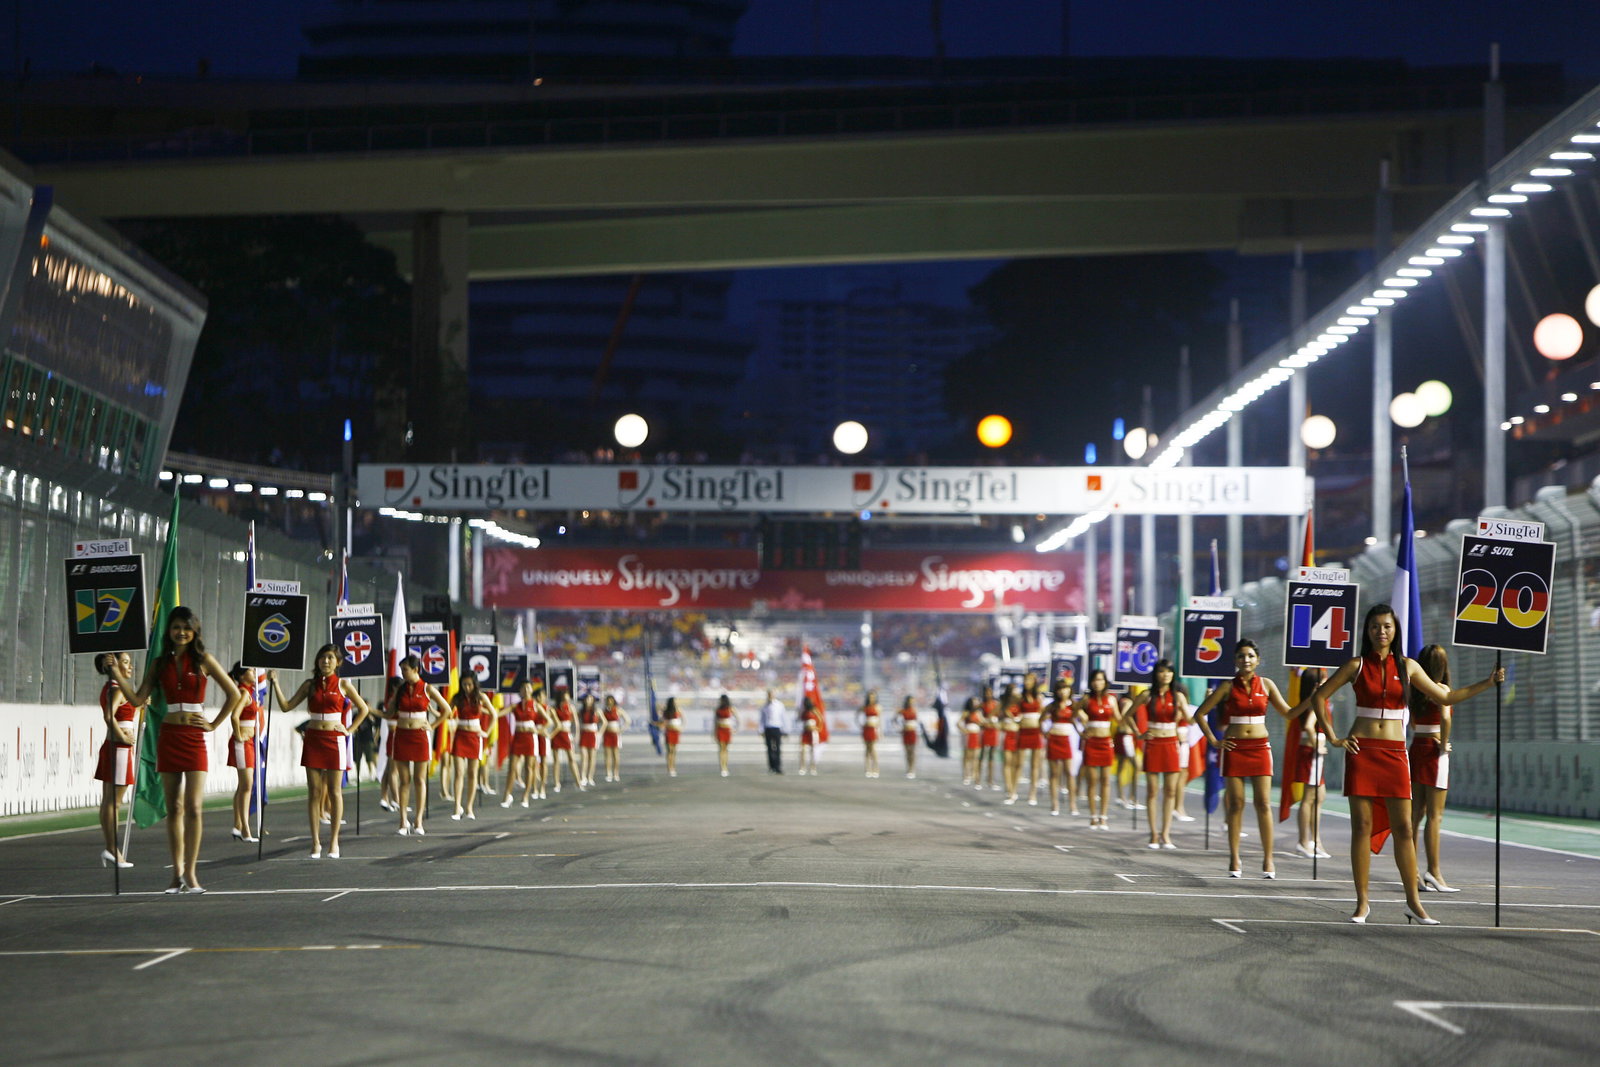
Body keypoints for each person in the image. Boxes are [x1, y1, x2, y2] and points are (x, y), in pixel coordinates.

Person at [1297, 608, 1502, 924]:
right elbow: (1319, 697)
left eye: (1387, 626)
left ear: (1395, 631)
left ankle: (1414, 903)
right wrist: (1335, 737)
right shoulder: (1356, 665)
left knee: (1405, 828)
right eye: (1375, 626)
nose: (1381, 631)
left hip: (1395, 754)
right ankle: (1362, 903)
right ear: (1367, 631)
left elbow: (1446, 698)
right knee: (1361, 829)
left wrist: (1487, 683)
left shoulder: (1408, 666)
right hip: (1362, 752)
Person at [113, 606, 241, 893]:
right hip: (168, 735)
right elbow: (136, 699)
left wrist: (213, 724)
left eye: (186, 627)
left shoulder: (204, 659)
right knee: (174, 808)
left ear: (194, 630)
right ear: (168, 632)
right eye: (176, 627)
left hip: (195, 738)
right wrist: (115, 673)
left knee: (194, 807)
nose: (181, 632)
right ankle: (176, 875)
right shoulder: (159, 664)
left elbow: (234, 694)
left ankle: (192, 875)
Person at [1193, 639, 1294, 879]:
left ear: (1257, 660)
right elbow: (1200, 714)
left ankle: (1268, 859)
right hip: (1234, 747)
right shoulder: (1227, 686)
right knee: (1236, 803)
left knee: (1263, 803)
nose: (1245, 660)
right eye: (1241, 656)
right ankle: (1234, 857)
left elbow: (1289, 712)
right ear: (1235, 661)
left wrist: (1315, 699)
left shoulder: (1267, 685)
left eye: (1250, 656)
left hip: (1260, 746)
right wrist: (1214, 741)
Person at [269, 645, 372, 858]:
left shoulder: (344, 685)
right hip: (313, 739)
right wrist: (276, 683)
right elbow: (287, 706)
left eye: (330, 658)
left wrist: (349, 730)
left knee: (334, 792)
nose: (325, 661)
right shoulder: (310, 685)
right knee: (314, 792)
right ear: (317, 661)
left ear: (338, 662)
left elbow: (364, 709)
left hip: (335, 740)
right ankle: (315, 842)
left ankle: (334, 842)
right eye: (322, 657)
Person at [1122, 659, 1190, 850]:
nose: (1165, 675)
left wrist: (1208, 703)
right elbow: (1128, 715)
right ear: (1156, 674)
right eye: (1162, 671)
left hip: (1171, 743)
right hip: (1153, 743)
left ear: (1172, 674)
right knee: (1152, 791)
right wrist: (1138, 734)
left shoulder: (1178, 697)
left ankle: (1166, 834)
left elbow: (1191, 719)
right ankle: (1153, 834)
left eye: (1169, 671)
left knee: (1170, 791)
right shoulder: (1146, 695)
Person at [1410, 645, 1461, 891]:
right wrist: (1443, 741)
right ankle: (1434, 872)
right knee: (1435, 816)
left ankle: (1413, 873)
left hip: (1417, 747)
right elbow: (1446, 717)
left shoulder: (1415, 689)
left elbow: (1410, 724)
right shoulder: (1441, 689)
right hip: (1433, 751)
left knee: (1415, 816)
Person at [383, 653, 450, 836]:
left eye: (405, 670)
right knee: (405, 781)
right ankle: (403, 821)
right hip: (402, 736)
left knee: (420, 780)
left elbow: (447, 710)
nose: (403, 673)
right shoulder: (401, 690)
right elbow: (389, 713)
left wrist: (433, 725)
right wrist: (368, 711)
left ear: (415, 669)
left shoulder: (428, 688)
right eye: (401, 670)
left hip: (420, 737)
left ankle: (419, 820)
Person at [93, 652, 140, 868]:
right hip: (119, 748)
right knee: (114, 803)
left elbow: (125, 712)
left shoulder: (114, 689)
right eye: (126, 663)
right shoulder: (117, 689)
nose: (130, 667)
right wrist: (123, 738)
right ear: (115, 666)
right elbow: (109, 716)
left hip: (115, 748)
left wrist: (140, 704)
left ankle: (112, 848)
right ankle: (113, 849)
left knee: (109, 802)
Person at [1281, 667, 1331, 858]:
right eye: (1325, 680)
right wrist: (1315, 744)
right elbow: (1310, 725)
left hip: (1313, 751)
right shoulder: (1314, 702)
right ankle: (1305, 841)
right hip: (1311, 751)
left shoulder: (1314, 700)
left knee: (1319, 796)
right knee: (1310, 798)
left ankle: (1315, 840)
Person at [1073, 670, 1119, 829]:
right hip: (1091, 742)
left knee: (1106, 780)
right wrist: (1081, 731)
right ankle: (1093, 816)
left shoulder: (1111, 699)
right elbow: (1073, 714)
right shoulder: (1087, 699)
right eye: (1095, 680)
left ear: (1105, 682)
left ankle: (1103, 816)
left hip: (1106, 742)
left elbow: (1118, 719)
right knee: (1092, 781)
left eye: (1100, 680)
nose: (1097, 683)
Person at [446, 672, 496, 817]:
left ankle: (469, 807)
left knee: (473, 773)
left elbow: (494, 714)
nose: (467, 687)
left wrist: (486, 732)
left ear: (474, 684)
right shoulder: (457, 697)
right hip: (460, 736)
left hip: (475, 736)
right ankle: (457, 807)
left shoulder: (481, 697)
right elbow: (446, 712)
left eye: (469, 684)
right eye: (464, 685)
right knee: (459, 773)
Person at [225, 663, 261, 844]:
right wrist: (239, 736)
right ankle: (246, 829)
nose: (254, 673)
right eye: (251, 670)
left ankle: (238, 825)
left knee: (243, 786)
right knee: (247, 785)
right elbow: (234, 715)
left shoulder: (249, 691)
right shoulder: (244, 692)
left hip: (249, 741)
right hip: (243, 742)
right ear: (242, 675)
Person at [502, 678, 549, 806]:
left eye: (528, 688)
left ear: (531, 690)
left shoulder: (535, 705)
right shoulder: (515, 705)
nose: (526, 690)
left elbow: (548, 720)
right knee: (512, 767)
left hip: (530, 738)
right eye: (524, 688)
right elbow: (499, 713)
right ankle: (507, 795)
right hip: (517, 737)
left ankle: (526, 796)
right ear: (520, 691)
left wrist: (539, 730)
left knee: (529, 767)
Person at [1044, 679, 1078, 817]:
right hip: (1054, 739)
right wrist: (1046, 732)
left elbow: (1079, 719)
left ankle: (1072, 804)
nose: (1063, 691)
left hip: (1066, 739)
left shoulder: (1073, 706)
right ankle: (1055, 803)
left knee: (1069, 772)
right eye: (1060, 689)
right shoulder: (1052, 706)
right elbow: (1041, 719)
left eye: (1066, 688)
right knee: (1054, 773)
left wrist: (1082, 732)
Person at [1017, 674, 1046, 805]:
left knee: (1035, 765)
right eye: (1025, 680)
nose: (1026, 682)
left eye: (1029, 680)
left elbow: (1044, 713)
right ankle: (1013, 790)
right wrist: (1017, 720)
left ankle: (1032, 793)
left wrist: (1041, 725)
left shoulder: (1039, 697)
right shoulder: (1020, 697)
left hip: (1035, 731)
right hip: (1023, 731)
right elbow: (1012, 710)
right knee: (1019, 762)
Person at [548, 691, 579, 791]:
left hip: (566, 733)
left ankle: (578, 782)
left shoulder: (571, 707)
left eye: (568, 698)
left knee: (571, 758)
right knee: (556, 760)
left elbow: (576, 723)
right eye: (565, 698)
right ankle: (556, 783)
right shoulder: (554, 708)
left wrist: (576, 735)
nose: (567, 700)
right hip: (557, 734)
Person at [601, 693, 632, 783]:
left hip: (615, 734)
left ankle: (616, 773)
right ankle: (608, 773)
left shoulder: (618, 710)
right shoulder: (604, 711)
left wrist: (621, 730)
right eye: (608, 701)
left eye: (611, 701)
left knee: (615, 754)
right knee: (607, 755)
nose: (609, 702)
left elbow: (628, 720)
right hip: (607, 734)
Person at [575, 693, 603, 789]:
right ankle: (583, 776)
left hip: (593, 734)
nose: (588, 701)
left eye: (590, 699)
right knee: (584, 756)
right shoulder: (581, 711)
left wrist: (600, 733)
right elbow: (575, 720)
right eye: (587, 699)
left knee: (592, 757)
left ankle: (590, 777)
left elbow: (604, 722)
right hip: (584, 734)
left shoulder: (596, 711)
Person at [978, 684, 1001, 792]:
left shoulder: (996, 704)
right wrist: (984, 722)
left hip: (993, 730)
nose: (988, 694)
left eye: (990, 692)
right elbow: (978, 716)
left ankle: (990, 779)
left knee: (992, 756)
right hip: (985, 730)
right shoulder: (982, 705)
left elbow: (999, 716)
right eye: (986, 692)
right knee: (982, 754)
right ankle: (978, 779)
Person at [760, 689, 787, 774]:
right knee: (769, 749)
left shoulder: (779, 705)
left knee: (777, 748)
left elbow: (783, 717)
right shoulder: (765, 706)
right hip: (768, 728)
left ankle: (778, 766)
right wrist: (761, 730)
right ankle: (771, 767)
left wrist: (785, 729)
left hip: (777, 728)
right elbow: (762, 719)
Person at [857, 689, 882, 778]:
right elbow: (857, 714)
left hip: (873, 729)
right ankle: (867, 769)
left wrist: (880, 732)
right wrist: (860, 724)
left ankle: (875, 768)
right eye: (870, 697)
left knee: (873, 749)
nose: (872, 698)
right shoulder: (864, 707)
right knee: (867, 750)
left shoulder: (877, 707)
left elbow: (879, 720)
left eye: (873, 697)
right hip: (866, 729)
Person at [960, 696, 984, 786]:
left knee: (976, 756)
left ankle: (974, 774)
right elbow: (958, 723)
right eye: (974, 702)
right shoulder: (966, 713)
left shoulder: (978, 713)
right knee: (968, 756)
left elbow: (983, 722)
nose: (976, 703)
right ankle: (966, 774)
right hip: (969, 735)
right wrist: (964, 730)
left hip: (977, 735)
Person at [797, 694, 822, 775]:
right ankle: (802, 767)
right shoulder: (804, 711)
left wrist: (818, 728)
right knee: (802, 750)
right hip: (805, 731)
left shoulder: (813, 709)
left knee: (813, 750)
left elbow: (820, 718)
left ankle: (813, 767)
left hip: (813, 732)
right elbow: (799, 719)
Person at [896, 696, 920, 779]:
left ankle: (912, 769)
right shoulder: (902, 711)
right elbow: (895, 720)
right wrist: (899, 728)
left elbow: (917, 721)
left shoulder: (914, 711)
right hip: (905, 733)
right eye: (910, 701)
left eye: (913, 701)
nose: (911, 703)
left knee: (912, 752)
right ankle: (908, 767)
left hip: (913, 732)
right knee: (907, 752)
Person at [713, 694, 737, 776]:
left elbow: (737, 718)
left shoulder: (730, 709)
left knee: (726, 749)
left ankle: (725, 766)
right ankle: (722, 767)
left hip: (727, 730)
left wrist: (735, 729)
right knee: (721, 749)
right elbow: (715, 721)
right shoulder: (718, 710)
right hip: (720, 730)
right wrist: (714, 732)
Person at [660, 696, 683, 777]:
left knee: (674, 751)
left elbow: (683, 719)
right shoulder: (666, 711)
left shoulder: (678, 710)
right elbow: (663, 722)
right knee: (669, 750)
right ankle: (669, 767)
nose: (676, 702)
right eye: (674, 701)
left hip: (676, 732)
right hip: (669, 732)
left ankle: (673, 767)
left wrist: (681, 727)